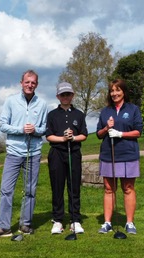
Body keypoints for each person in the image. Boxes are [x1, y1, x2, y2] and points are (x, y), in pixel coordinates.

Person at [0, 70, 48, 239]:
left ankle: (25, 224)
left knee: (30, 190)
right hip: (14, 152)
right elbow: (3, 126)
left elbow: (44, 129)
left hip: (33, 153)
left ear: (37, 84)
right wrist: (21, 129)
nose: (30, 85)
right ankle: (3, 227)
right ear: (21, 83)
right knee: (6, 190)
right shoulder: (11, 101)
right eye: (27, 82)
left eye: (33, 82)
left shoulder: (42, 104)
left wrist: (35, 130)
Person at [95, 79, 143, 235]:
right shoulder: (105, 111)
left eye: (118, 90)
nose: (114, 93)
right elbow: (98, 134)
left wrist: (121, 133)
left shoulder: (133, 109)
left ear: (124, 92)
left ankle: (129, 223)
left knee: (128, 188)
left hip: (128, 153)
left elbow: (138, 132)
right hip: (109, 154)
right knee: (109, 189)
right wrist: (107, 128)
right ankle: (107, 222)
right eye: (112, 91)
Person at [45, 82, 88, 235]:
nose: (65, 97)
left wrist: (73, 137)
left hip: (74, 152)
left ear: (72, 95)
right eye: (62, 95)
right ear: (58, 96)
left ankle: (75, 219)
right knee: (57, 187)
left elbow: (84, 135)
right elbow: (48, 136)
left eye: (68, 94)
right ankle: (57, 220)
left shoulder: (79, 114)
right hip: (57, 152)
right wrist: (63, 139)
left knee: (74, 186)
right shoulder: (52, 115)